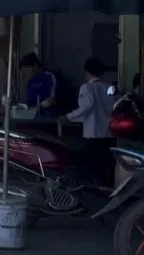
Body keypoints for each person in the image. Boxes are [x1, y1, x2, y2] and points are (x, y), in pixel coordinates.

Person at [64, 58, 116, 186]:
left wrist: (68, 117)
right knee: (105, 167)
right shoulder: (109, 87)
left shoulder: (86, 87)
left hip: (93, 134)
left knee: (92, 168)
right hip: (109, 133)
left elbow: (85, 107)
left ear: (86, 72)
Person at [20, 53, 60, 117]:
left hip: (47, 117)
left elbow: (52, 99)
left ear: (35, 66)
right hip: (32, 117)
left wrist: (38, 107)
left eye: (26, 68)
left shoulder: (48, 77)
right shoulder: (30, 81)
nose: (25, 72)